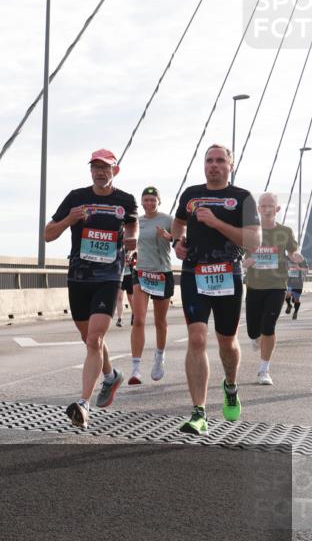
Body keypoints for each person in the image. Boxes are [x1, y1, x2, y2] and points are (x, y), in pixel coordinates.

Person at [45, 148, 138, 429]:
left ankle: (83, 405)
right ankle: (111, 377)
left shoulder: (126, 200)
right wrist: (69, 220)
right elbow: (48, 234)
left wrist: (132, 242)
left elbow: (133, 227)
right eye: (95, 167)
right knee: (89, 338)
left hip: (109, 277)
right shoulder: (76, 197)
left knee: (95, 339)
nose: (100, 172)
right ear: (90, 171)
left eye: (105, 167)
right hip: (79, 277)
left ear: (115, 171)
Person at [171, 144, 260, 435]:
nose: (214, 165)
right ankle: (199, 412)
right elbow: (178, 222)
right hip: (194, 273)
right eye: (209, 160)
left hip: (227, 275)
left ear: (230, 165)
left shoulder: (242, 197)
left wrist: (216, 222)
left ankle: (231, 385)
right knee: (196, 338)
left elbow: (253, 241)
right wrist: (177, 242)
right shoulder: (191, 194)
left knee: (227, 342)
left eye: (220, 160)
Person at [242, 193, 305, 385]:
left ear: (277, 209)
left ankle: (264, 370)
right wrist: (246, 262)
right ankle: (256, 337)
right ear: (258, 209)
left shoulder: (285, 231)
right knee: (254, 331)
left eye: (271, 206)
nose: (267, 209)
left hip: (277, 285)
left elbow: (292, 250)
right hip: (254, 285)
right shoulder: (249, 231)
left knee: (268, 326)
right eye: (263, 205)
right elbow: (239, 257)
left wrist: (295, 256)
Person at [128, 186, 174, 384]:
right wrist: (130, 252)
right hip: (141, 273)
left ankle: (159, 358)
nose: (149, 203)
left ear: (159, 201)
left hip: (162, 273)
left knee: (160, 321)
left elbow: (183, 240)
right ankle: (136, 368)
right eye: (145, 200)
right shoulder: (137, 222)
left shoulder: (168, 219)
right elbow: (131, 241)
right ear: (141, 202)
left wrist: (170, 237)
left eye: (152, 200)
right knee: (138, 319)